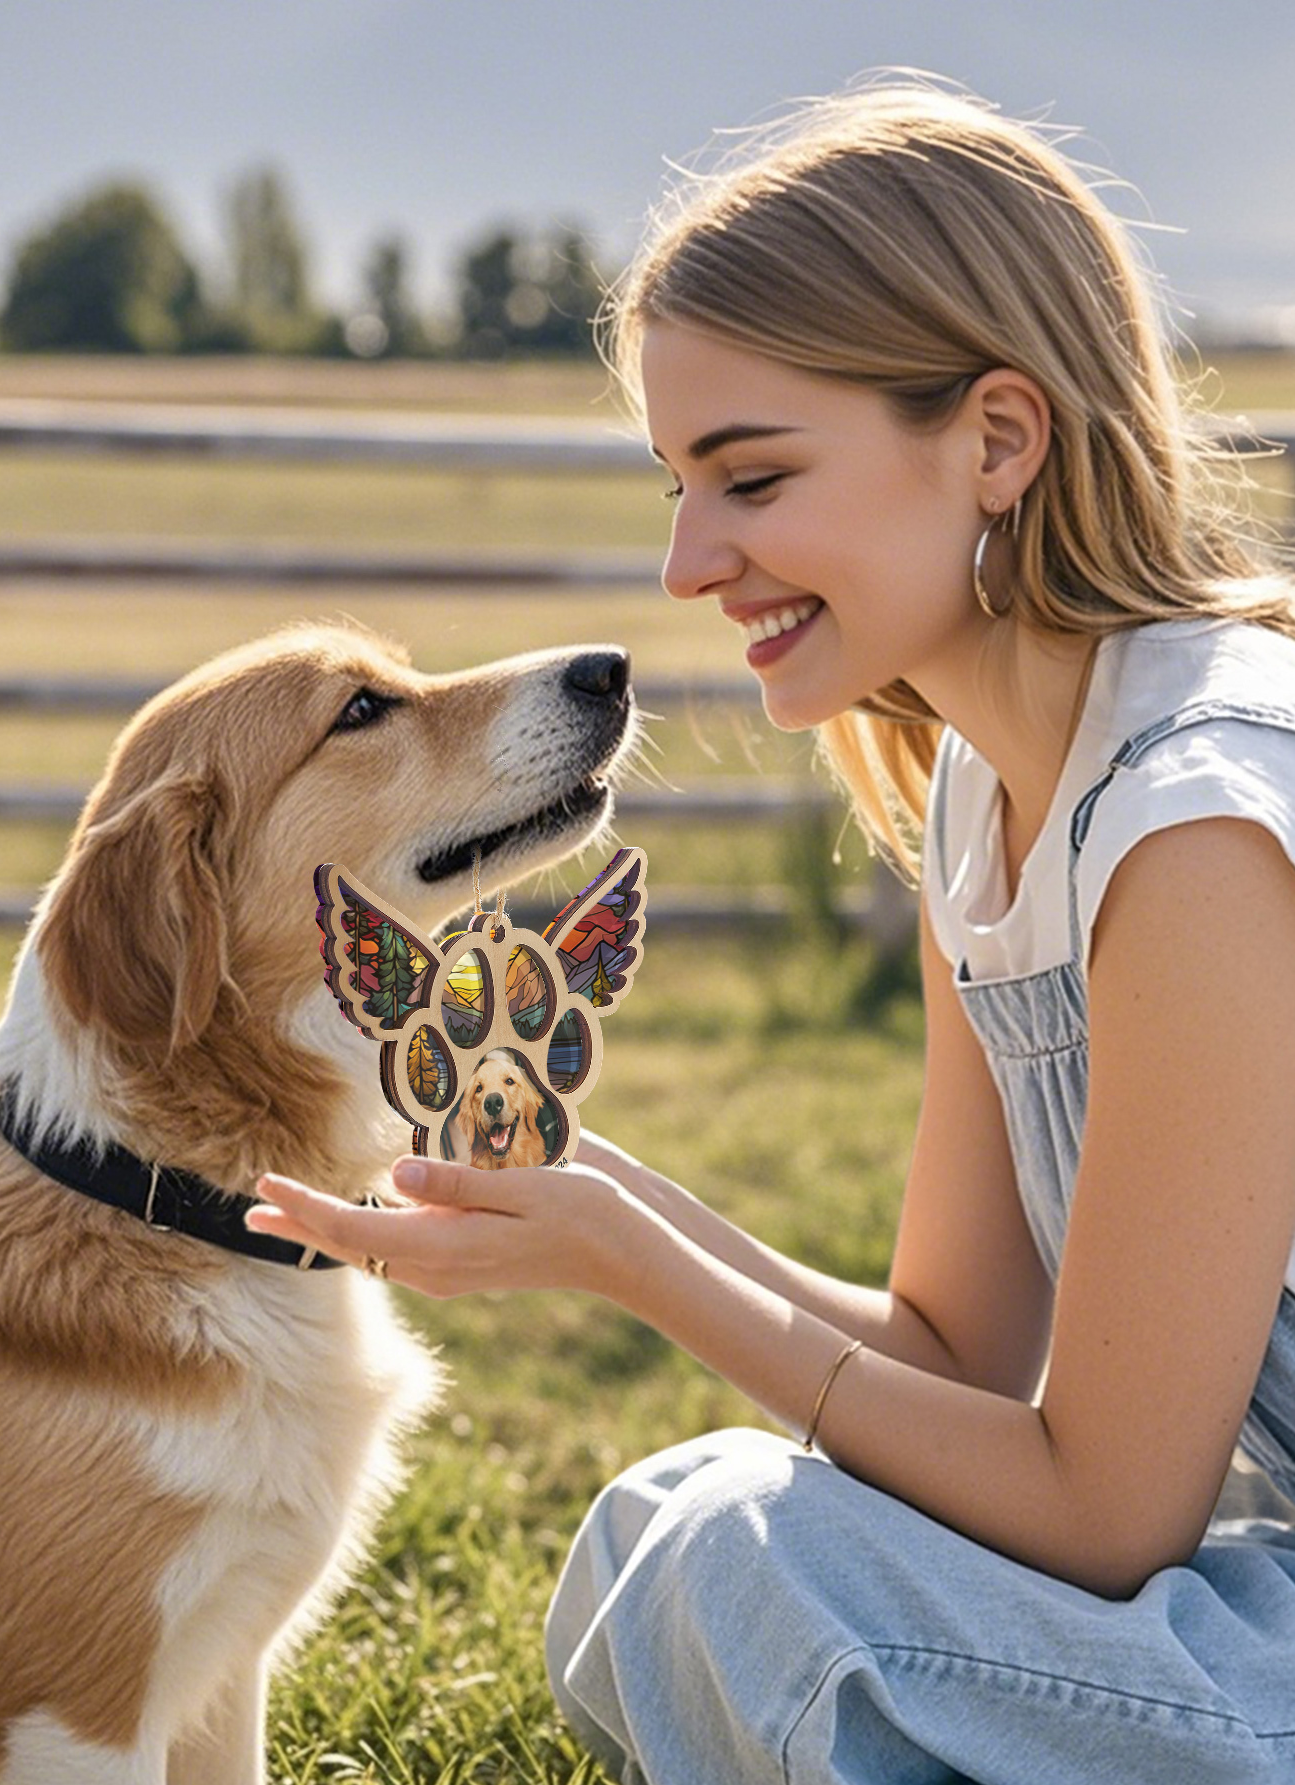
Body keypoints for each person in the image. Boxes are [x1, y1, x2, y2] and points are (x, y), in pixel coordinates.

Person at [247, 78, 1295, 1785]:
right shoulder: (991, 791)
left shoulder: (1193, 822)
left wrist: (636, 1264)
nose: (684, 563)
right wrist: (609, 1204)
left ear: (997, 440)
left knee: (758, 1577)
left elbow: (1104, 1513)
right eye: (678, 483)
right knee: (669, 1524)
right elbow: (954, 1358)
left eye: (751, 477)